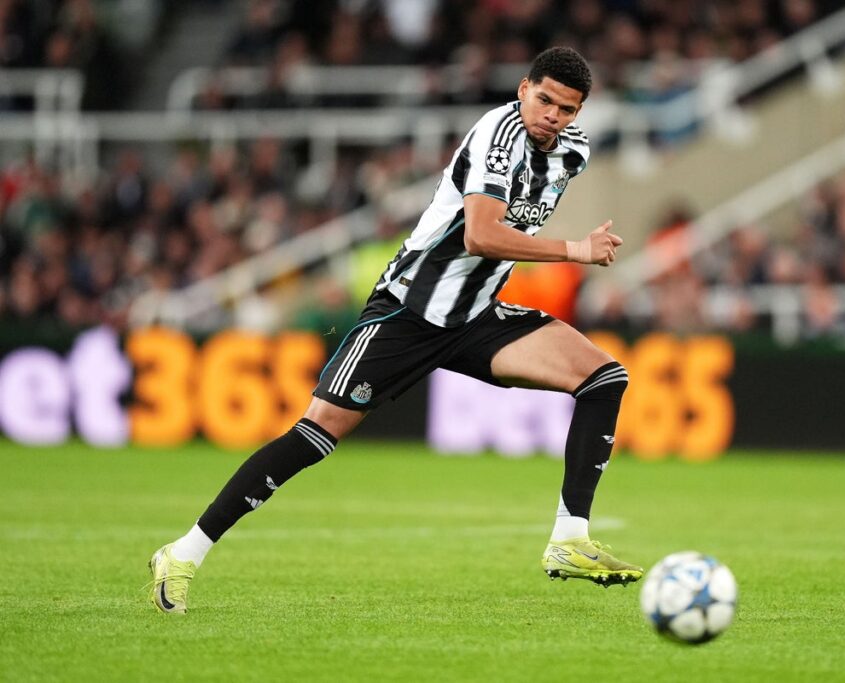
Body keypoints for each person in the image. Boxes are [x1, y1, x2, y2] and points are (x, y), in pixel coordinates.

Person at [148, 47, 642, 614]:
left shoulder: (572, 152)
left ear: (579, 114)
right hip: (407, 312)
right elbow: (481, 235)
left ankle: (569, 539)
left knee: (604, 378)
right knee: (315, 436)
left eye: (567, 108)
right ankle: (183, 553)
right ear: (524, 88)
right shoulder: (496, 137)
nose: (552, 115)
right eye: (544, 99)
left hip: (474, 314)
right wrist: (574, 250)